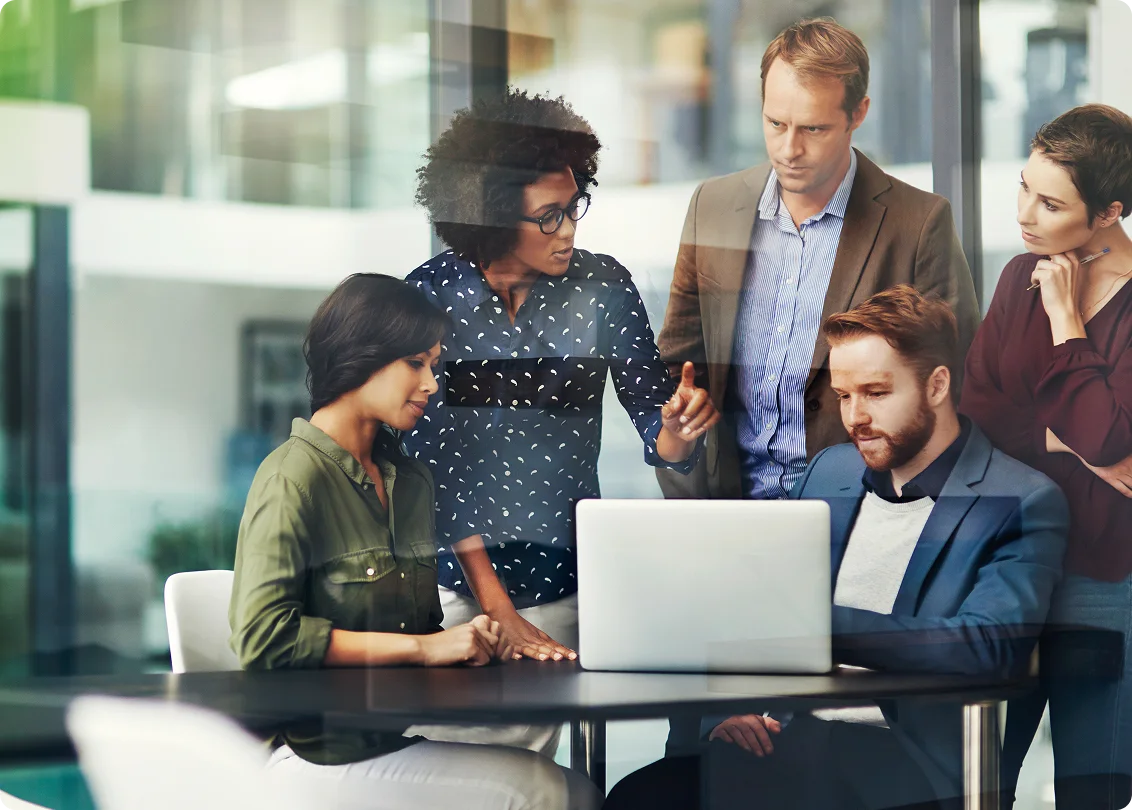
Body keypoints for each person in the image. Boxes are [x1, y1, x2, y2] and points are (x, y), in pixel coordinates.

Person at [606, 286, 1068, 810]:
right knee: (638, 798)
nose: (855, 417)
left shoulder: (1020, 498)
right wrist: (728, 711)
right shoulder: (830, 470)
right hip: (788, 738)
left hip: (905, 761)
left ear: (937, 385)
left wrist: (818, 628)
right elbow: (753, 606)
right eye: (845, 395)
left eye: (875, 392)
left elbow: (990, 647)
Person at [228, 274, 601, 810]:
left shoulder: (410, 482)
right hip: (314, 758)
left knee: (574, 790)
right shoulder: (291, 478)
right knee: (546, 793)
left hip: (390, 741)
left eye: (434, 365)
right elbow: (263, 640)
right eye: (415, 364)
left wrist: (469, 643)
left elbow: (418, 629)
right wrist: (426, 648)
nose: (431, 384)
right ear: (361, 358)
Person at [404, 88, 718, 669]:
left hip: (566, 585)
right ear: (492, 217)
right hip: (453, 592)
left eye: (575, 206)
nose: (568, 229)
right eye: (549, 216)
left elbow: (657, 424)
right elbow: (429, 471)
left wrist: (678, 428)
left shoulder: (603, 289)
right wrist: (498, 610)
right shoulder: (429, 297)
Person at [654, 17, 979, 504]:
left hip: (862, 513)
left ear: (858, 113)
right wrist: (676, 434)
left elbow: (956, 387)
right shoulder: (713, 207)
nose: (790, 149)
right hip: (728, 509)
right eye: (775, 123)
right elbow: (678, 365)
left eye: (814, 128)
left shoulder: (918, 224)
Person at [960, 103, 1132, 809]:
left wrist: (1066, 321)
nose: (1027, 214)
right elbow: (978, 413)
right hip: (1008, 570)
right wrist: (1071, 440)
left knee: (1095, 789)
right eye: (1024, 188)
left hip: (1105, 578)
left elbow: (1109, 438)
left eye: (1052, 203)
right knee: (974, 781)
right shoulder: (1014, 278)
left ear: (1108, 214)